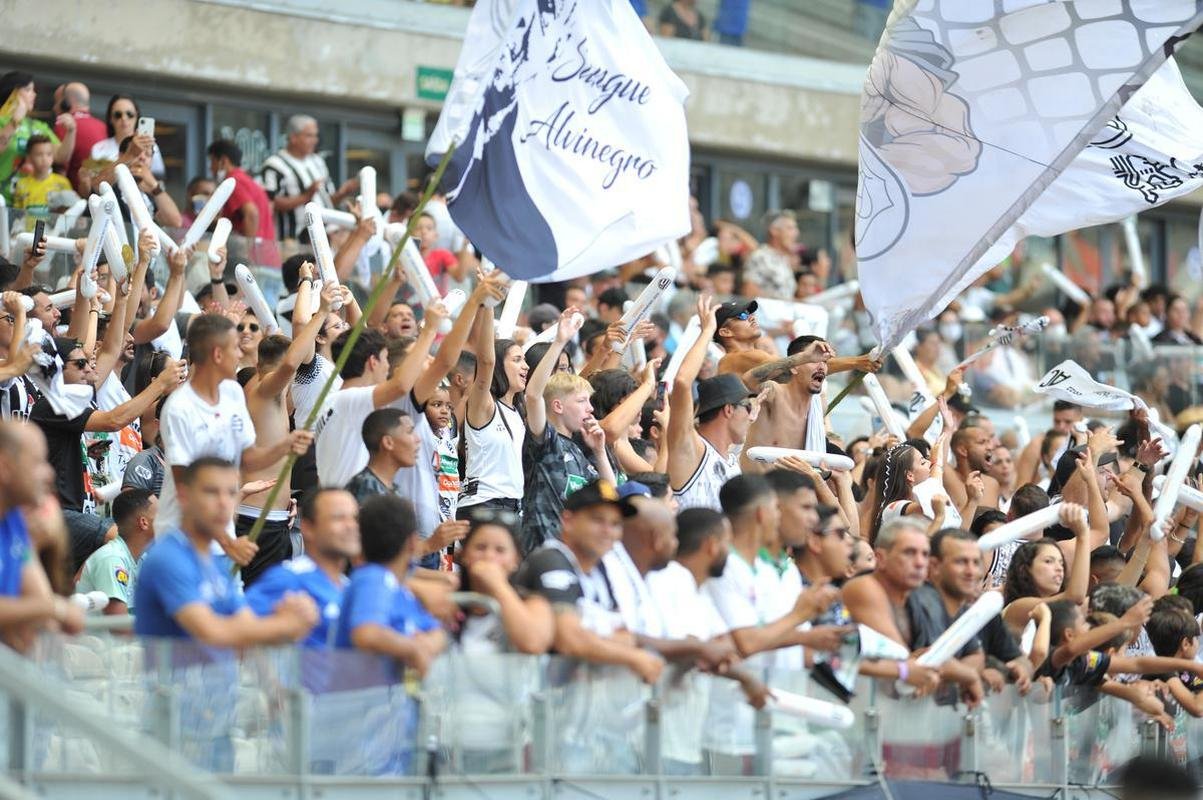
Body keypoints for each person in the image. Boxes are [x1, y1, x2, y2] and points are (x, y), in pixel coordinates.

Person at [156, 314, 313, 570]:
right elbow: (188, 490)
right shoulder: (179, 408)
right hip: (183, 542)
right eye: (235, 348)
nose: (241, 355)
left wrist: (285, 446)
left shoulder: (232, 394)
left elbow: (249, 458)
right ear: (218, 355)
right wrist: (228, 542)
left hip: (224, 538)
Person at [29, 337, 184, 569]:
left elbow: (111, 350)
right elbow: (114, 421)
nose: (88, 369)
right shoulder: (53, 405)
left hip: (76, 511)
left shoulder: (73, 402)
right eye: (80, 364)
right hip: (55, 513)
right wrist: (160, 384)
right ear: (56, 370)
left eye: (87, 363)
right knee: (123, 539)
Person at [134, 457, 318, 643]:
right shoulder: (168, 557)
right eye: (211, 492)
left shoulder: (213, 559)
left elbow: (245, 623)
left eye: (231, 493)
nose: (223, 503)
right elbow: (212, 633)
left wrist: (287, 613)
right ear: (183, 496)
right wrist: (286, 623)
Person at [237, 280, 339, 586]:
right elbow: (293, 357)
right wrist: (322, 310)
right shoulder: (264, 388)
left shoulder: (275, 395)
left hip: (276, 518)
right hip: (256, 518)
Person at [514, 479, 665, 681]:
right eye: (597, 520)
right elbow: (568, 639)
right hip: (532, 690)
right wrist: (632, 658)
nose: (607, 531)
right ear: (568, 521)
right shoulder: (550, 559)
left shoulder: (601, 572)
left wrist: (589, 638)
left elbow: (627, 637)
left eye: (615, 524)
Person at [520, 307, 615, 553]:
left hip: (572, 554)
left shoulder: (579, 451)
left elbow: (609, 496)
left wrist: (600, 452)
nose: (590, 409)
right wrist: (559, 341)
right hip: (541, 553)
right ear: (558, 406)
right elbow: (533, 395)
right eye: (582, 401)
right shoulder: (545, 440)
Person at [334, 494, 446, 674]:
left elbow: (438, 632)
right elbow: (367, 633)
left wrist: (426, 645)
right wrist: (412, 649)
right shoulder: (372, 578)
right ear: (413, 543)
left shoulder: (400, 589)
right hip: (361, 691)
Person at [0, 420, 84, 647]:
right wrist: (55, 608)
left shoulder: (13, 520)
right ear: (5, 467)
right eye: (38, 462)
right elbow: (48, 607)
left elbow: (41, 606)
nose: (49, 474)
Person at [667, 296, 753, 512]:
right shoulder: (691, 449)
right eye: (748, 407)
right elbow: (682, 382)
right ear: (729, 409)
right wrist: (707, 331)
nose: (751, 416)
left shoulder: (732, 461)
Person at [245, 488, 360, 649]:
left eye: (355, 518)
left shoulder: (349, 586)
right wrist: (281, 626)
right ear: (308, 528)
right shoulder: (288, 578)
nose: (351, 526)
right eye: (338, 518)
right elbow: (237, 632)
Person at [455, 507, 555, 654]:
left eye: (500, 550)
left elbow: (533, 644)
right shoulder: (447, 600)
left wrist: (497, 585)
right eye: (480, 548)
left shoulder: (533, 604)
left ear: (516, 560)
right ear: (463, 555)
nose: (489, 556)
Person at [459, 304, 527, 519]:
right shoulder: (484, 404)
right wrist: (488, 305)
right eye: (517, 360)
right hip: (483, 505)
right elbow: (486, 362)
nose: (526, 366)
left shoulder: (519, 412)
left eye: (525, 359)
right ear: (499, 366)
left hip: (514, 508)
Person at [259, 114, 355, 242]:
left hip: (326, 235)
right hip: (292, 240)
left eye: (316, 136)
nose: (315, 140)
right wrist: (305, 196)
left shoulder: (318, 161)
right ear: (293, 137)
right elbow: (269, 203)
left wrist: (342, 193)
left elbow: (326, 201)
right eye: (309, 136)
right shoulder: (274, 164)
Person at [1001, 504, 1093, 631]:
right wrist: (1082, 535)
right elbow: (1076, 596)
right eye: (1049, 561)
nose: (1059, 568)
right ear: (1024, 570)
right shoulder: (1018, 606)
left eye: (1061, 563)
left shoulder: (1059, 608)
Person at [75, 488, 156, 616]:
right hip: (97, 630)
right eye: (161, 515)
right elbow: (118, 624)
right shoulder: (112, 559)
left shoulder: (143, 559)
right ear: (144, 523)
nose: (167, 520)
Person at [206, 139, 278, 264]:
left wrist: (246, 255)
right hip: (266, 256)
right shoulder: (246, 180)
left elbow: (251, 214)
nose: (210, 168)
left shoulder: (233, 182)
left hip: (256, 260)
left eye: (212, 161)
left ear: (223, 161)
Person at [0, 71, 68, 202]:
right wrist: (14, 121)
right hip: (2, 200)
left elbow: (60, 156)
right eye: (28, 90)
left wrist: (71, 131)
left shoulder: (38, 126)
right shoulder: (2, 121)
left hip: (30, 201)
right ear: (13, 93)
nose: (34, 94)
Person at [345, 408, 420, 504]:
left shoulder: (394, 491)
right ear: (388, 442)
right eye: (410, 432)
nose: (418, 439)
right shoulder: (364, 488)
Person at [90, 94, 165, 176]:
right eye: (118, 115)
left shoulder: (150, 145)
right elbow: (94, 181)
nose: (124, 118)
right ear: (110, 118)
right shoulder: (98, 148)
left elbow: (159, 178)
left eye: (130, 114)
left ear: (137, 116)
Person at [51, 82, 107, 192]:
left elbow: (60, 168)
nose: (54, 108)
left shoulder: (64, 126)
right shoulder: (104, 127)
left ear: (65, 104)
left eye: (57, 102)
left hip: (74, 195)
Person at [11, 134, 73, 219]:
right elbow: (17, 216)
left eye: (49, 154)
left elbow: (70, 214)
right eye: (39, 155)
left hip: (53, 227)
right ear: (29, 158)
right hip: (28, 227)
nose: (44, 159)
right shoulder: (21, 184)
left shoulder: (62, 183)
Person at [741, 210, 798, 300]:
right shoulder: (760, 256)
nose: (796, 233)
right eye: (790, 228)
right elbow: (750, 293)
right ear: (774, 231)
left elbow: (786, 296)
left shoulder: (783, 259)